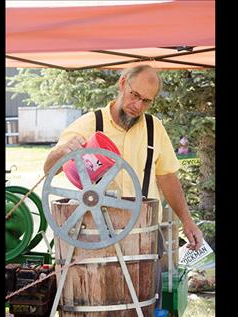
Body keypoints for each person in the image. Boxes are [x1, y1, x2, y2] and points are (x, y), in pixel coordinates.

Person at [43, 65, 203, 306]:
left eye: (146, 101)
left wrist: (187, 221)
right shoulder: (90, 124)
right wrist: (61, 151)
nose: (137, 105)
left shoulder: (153, 128)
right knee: (99, 304)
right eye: (134, 95)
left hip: (145, 235)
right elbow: (48, 169)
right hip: (96, 237)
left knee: (146, 304)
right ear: (122, 84)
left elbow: (167, 177)